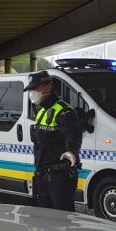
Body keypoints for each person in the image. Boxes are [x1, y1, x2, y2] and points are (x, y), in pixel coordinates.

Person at [23, 71, 82, 211]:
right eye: (30, 89)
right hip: (42, 176)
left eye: (34, 89)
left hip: (59, 178)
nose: (31, 93)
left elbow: (72, 134)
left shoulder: (64, 111)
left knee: (63, 220)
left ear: (48, 87)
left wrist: (71, 151)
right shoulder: (42, 111)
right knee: (44, 220)